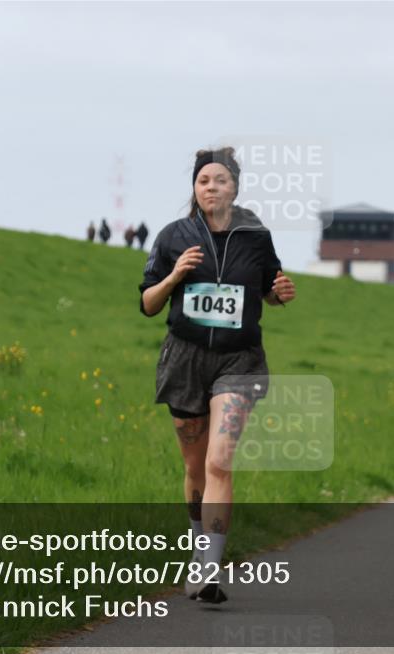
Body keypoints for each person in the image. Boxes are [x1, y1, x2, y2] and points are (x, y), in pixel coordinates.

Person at [138, 147, 296, 604]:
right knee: (194, 468)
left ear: (235, 187)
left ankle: (210, 568)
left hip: (238, 361)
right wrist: (174, 276)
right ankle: (198, 550)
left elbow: (269, 290)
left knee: (219, 461)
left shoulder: (256, 236)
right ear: (195, 187)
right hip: (185, 360)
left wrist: (280, 293)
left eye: (220, 180)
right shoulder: (173, 236)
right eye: (204, 180)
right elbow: (148, 304)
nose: (211, 187)